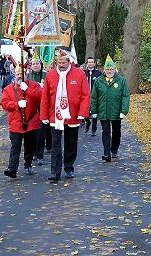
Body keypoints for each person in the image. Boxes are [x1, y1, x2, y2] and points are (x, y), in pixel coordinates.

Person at [40, 49, 91, 183]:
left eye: (63, 62)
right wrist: (44, 115)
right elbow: (45, 96)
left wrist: (82, 113)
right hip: (55, 116)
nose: (61, 64)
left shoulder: (79, 74)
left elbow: (85, 95)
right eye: (59, 62)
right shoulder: (50, 75)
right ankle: (55, 172)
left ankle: (69, 166)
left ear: (69, 62)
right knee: (55, 144)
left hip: (73, 115)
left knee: (71, 142)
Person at [1, 66, 42, 178]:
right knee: (15, 147)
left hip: (31, 122)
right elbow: (4, 103)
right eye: (18, 74)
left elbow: (40, 97)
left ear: (26, 74)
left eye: (22, 74)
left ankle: (28, 164)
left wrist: (27, 89)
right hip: (16, 122)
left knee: (30, 146)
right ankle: (12, 168)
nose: (20, 76)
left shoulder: (34, 85)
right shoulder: (8, 89)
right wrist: (16, 105)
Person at [90, 55, 130, 162]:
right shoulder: (99, 81)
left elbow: (125, 96)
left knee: (116, 132)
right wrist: (93, 110)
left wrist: (124, 110)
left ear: (115, 69)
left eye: (111, 69)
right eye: (107, 69)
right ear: (104, 70)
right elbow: (94, 96)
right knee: (105, 132)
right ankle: (106, 153)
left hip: (116, 111)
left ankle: (114, 150)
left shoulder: (121, 80)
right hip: (103, 111)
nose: (109, 71)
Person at [27, 57, 50, 166]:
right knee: (32, 131)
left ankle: (40, 154)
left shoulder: (46, 76)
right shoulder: (27, 76)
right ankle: (33, 152)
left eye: (37, 63)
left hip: (43, 106)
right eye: (33, 63)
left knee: (41, 131)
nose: (35, 65)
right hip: (31, 106)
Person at [82, 57, 103, 136]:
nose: (90, 63)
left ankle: (94, 129)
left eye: (92, 62)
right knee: (85, 112)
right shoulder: (83, 73)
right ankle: (87, 122)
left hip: (95, 96)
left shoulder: (98, 74)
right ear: (87, 63)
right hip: (85, 96)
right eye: (89, 62)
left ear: (94, 63)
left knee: (94, 112)